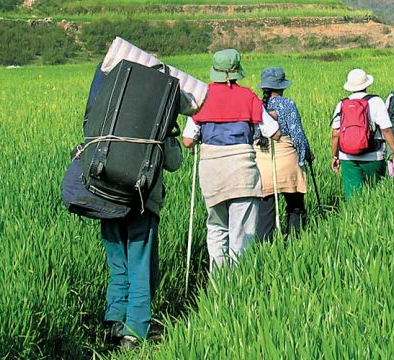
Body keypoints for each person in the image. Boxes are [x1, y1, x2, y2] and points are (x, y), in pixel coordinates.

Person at [90, 92, 183, 348]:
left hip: (107, 199)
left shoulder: (110, 111)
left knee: (118, 265)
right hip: (141, 203)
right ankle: (135, 331)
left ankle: (114, 324)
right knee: (140, 267)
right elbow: (174, 163)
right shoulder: (155, 116)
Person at [182, 49, 281, 271]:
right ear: (236, 71)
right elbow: (274, 133)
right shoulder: (248, 97)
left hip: (212, 173)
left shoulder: (201, 96)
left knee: (216, 228)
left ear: (215, 70)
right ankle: (238, 284)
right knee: (242, 232)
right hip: (242, 173)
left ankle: (218, 283)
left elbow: (188, 140)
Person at [254, 67, 312, 241]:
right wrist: (306, 155)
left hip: (262, 162)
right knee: (295, 206)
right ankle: (295, 241)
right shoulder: (288, 104)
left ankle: (265, 245)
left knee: (265, 208)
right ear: (282, 86)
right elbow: (297, 135)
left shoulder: (256, 105)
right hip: (286, 160)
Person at [330, 68, 394, 198]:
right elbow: (386, 129)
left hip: (347, 156)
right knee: (375, 195)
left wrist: (335, 156)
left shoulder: (342, 103)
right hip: (373, 154)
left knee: (353, 198)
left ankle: (353, 217)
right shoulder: (376, 101)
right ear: (367, 84)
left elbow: (335, 133)